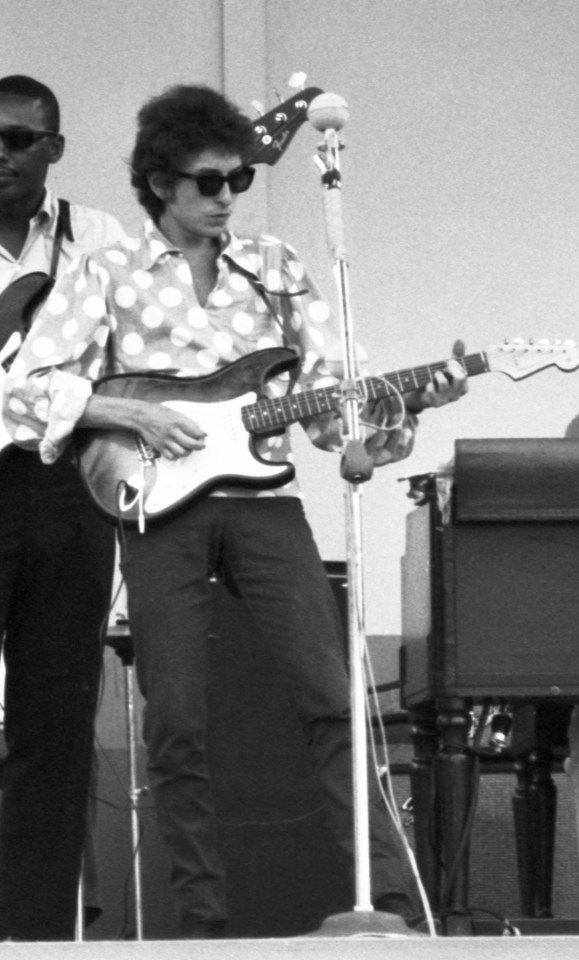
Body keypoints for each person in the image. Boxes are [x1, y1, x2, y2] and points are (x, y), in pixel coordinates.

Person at [3, 84, 467, 939]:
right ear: (158, 183)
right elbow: (27, 387)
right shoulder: (104, 272)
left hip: (268, 504)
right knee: (177, 720)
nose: (225, 196)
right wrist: (127, 411)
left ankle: (394, 909)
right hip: (161, 511)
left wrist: (406, 406)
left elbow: (336, 411)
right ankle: (202, 929)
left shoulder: (279, 267)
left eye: (237, 181)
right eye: (207, 181)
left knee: (329, 698)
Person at [0, 75, 125, 941]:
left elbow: (132, 359)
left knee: (54, 712)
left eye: (17, 138)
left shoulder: (101, 239)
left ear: (54, 148)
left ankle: (34, 934)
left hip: (59, 483)